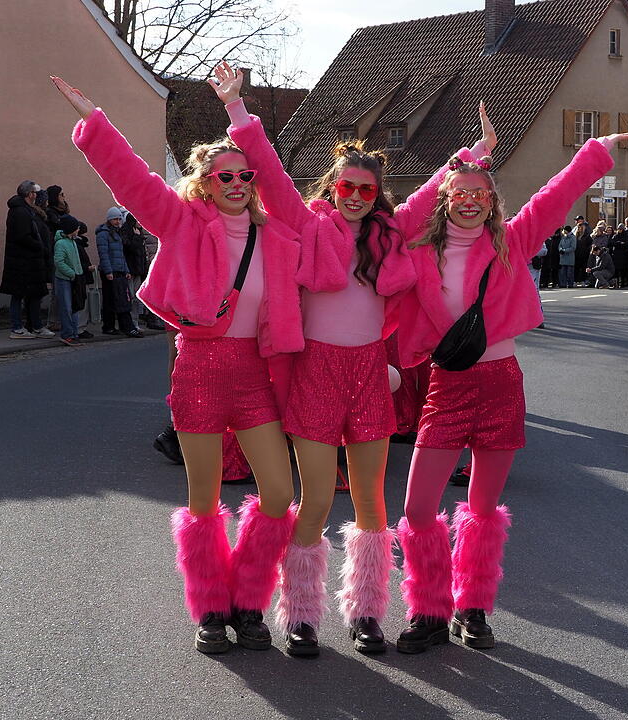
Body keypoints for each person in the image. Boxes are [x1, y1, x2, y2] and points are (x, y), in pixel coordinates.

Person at [220, 61, 494, 656]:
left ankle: (366, 612)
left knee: (372, 499)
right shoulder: (306, 225)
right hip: (317, 373)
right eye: (347, 188)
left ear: (377, 196)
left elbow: (431, 195)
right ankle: (300, 615)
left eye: (367, 191)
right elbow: (270, 174)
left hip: (370, 373)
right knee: (317, 497)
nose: (356, 198)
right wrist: (237, 109)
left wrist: (473, 155)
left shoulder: (389, 234)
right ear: (332, 187)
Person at [54, 75, 302, 655]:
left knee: (276, 492)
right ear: (205, 183)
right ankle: (211, 606)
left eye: (245, 176)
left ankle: (248, 597)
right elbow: (135, 182)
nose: (236, 184)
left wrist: (238, 109)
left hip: (254, 374)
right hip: (198, 370)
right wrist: (95, 123)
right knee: (203, 496)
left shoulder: (276, 236)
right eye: (224, 177)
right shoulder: (183, 223)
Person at [393, 126, 628, 653]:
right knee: (418, 510)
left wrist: (595, 152)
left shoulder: (511, 241)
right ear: (444, 199)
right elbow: (395, 225)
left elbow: (554, 197)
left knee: (482, 508)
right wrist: (469, 153)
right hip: (447, 385)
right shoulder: (417, 251)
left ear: (492, 203)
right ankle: (429, 609)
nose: (470, 203)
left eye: (481, 195)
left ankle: (473, 607)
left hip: (501, 384)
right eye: (460, 193)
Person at [0, 181, 55, 339]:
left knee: (34, 294)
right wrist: (40, 246)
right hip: (22, 261)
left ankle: (36, 326)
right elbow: (23, 236)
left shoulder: (25, 210)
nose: (36, 195)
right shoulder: (20, 212)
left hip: (29, 261)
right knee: (19, 294)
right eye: (34, 193)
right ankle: (17, 328)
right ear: (29, 194)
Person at [96, 207, 143, 338]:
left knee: (117, 300)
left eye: (119, 219)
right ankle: (121, 327)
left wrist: (126, 270)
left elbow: (121, 255)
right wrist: (108, 271)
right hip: (111, 272)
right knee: (115, 300)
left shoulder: (116, 233)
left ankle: (113, 326)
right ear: (109, 219)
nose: (117, 221)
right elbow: (104, 254)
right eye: (115, 219)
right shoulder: (104, 234)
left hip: (119, 271)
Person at [52, 214, 84, 345]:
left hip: (75, 279)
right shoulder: (60, 243)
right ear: (71, 229)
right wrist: (72, 274)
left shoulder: (73, 242)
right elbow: (59, 262)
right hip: (64, 279)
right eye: (77, 228)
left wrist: (79, 274)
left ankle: (74, 333)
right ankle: (67, 334)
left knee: (75, 307)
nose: (78, 230)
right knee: (66, 308)